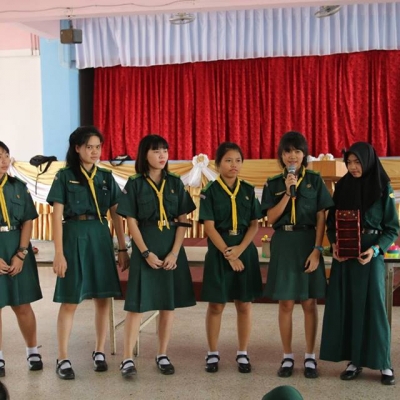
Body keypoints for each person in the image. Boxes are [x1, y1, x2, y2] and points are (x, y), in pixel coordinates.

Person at [47, 126, 129, 380]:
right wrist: (58, 253)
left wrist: (122, 247)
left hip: (100, 237)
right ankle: (62, 357)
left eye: (98, 147)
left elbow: (116, 213)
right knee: (70, 300)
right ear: (77, 148)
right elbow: (56, 216)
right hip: (74, 236)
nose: (95, 152)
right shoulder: (64, 176)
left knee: (103, 298)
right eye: (89, 147)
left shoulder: (105, 176)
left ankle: (99, 350)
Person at [116, 134, 196, 378]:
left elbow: (183, 220)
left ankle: (162, 354)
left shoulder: (175, 182)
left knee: (167, 306)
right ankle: (127, 358)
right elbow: (131, 222)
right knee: (136, 306)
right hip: (146, 246)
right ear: (145, 154)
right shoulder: (135, 184)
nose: (162, 155)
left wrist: (174, 252)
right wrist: (145, 252)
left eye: (165, 150)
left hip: (171, 247)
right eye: (156, 151)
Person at [320, 142, 398, 385]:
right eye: (349, 162)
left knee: (375, 308)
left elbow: (392, 228)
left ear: (368, 161)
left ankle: (383, 363)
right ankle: (354, 361)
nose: (353, 167)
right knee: (349, 307)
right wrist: (335, 245)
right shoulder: (342, 187)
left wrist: (375, 250)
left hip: (370, 256)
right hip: (346, 258)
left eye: (357, 162)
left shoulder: (383, 187)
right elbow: (332, 224)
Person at [261, 131, 334, 379]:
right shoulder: (273, 183)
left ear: (305, 155)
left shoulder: (315, 180)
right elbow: (271, 219)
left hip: (307, 241)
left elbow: (321, 217)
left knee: (309, 302)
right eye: (288, 151)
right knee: (286, 303)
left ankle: (310, 356)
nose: (292, 156)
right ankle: (287, 356)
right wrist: (287, 193)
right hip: (284, 242)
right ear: (281, 155)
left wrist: (317, 250)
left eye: (297, 151)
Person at [199, 142, 263, 374]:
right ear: (217, 164)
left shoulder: (247, 189)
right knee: (216, 305)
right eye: (228, 160)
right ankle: (212, 352)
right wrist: (229, 253)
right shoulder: (209, 191)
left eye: (238, 160)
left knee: (244, 304)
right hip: (220, 250)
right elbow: (209, 227)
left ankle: (243, 352)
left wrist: (239, 250)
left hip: (244, 250)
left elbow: (254, 225)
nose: (233, 165)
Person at [0, 141, 43, 377]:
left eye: (6, 155)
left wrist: (21, 253)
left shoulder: (18, 186)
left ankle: (33, 351)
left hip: (16, 246)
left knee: (22, 305)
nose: (4, 161)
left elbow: (27, 220)